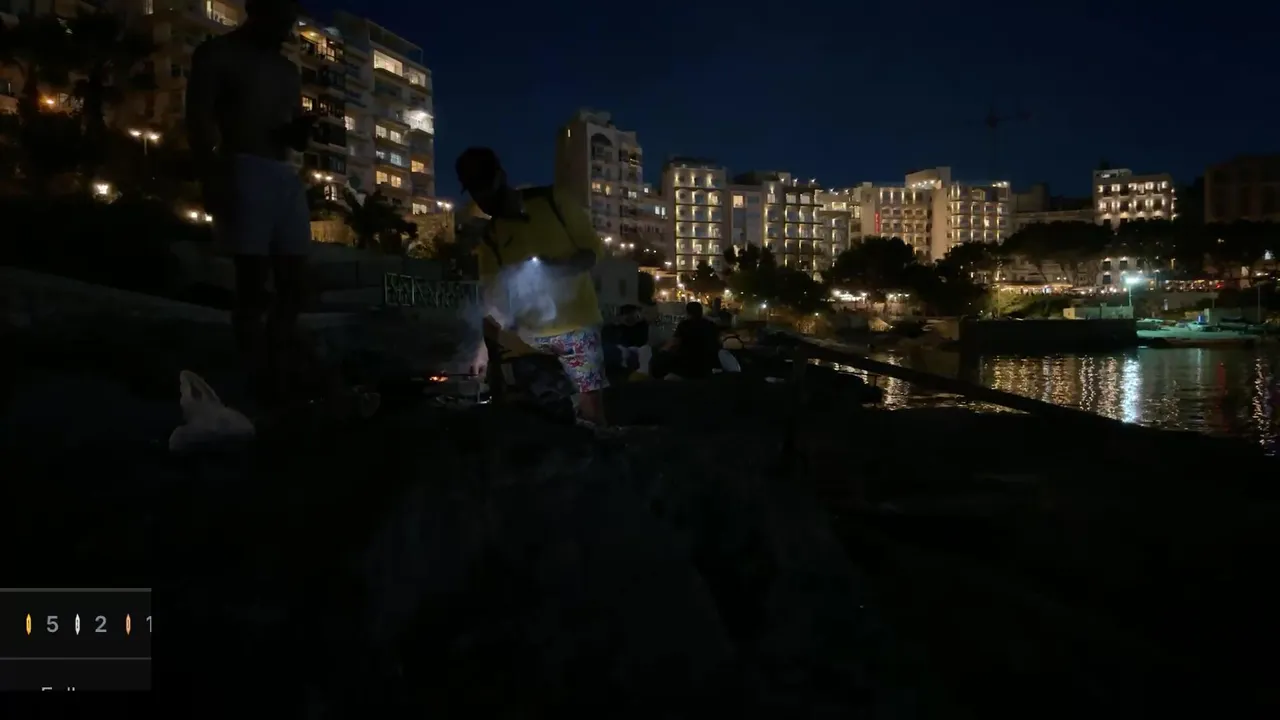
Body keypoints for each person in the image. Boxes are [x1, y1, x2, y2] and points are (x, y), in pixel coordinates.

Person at [186, 0, 320, 410]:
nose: (286, 30)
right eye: (281, 19)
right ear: (256, 10)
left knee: (295, 283)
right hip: (242, 167)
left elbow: (290, 137)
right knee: (252, 284)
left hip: (283, 174)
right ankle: (255, 375)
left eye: (290, 21)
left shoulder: (287, 70)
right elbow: (198, 119)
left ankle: (276, 363)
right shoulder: (218, 54)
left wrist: (298, 133)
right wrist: (211, 178)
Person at [457, 147, 609, 427]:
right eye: (475, 191)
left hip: (578, 329)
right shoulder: (491, 237)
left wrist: (557, 269)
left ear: (500, 176)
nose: (482, 198)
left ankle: (599, 446)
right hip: (530, 341)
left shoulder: (552, 201)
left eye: (485, 187)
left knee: (591, 414)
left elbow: (593, 252)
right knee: (545, 417)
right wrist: (487, 355)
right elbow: (492, 301)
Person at [652, 302, 722, 380]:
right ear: (701, 311)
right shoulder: (711, 325)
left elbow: (674, 342)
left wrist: (663, 350)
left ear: (687, 312)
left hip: (687, 365)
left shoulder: (684, 325)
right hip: (707, 365)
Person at [602, 305, 651, 376]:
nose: (629, 319)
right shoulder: (611, 328)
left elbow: (641, 343)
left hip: (630, 353)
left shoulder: (641, 327)